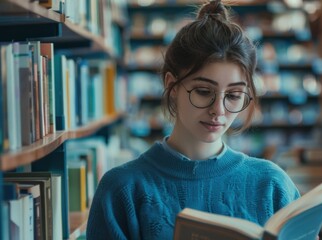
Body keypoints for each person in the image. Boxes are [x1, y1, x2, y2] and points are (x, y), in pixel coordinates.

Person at [86, 1, 300, 239]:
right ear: (172, 85)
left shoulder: (272, 184)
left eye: (233, 95)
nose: (218, 110)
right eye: (203, 91)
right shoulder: (122, 189)